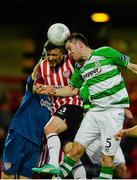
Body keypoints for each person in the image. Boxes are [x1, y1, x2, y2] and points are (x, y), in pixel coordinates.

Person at [35, 32, 137, 179]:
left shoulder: (106, 52)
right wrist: (49, 89)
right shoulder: (79, 67)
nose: (68, 54)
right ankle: (58, 176)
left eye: (70, 49)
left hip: (112, 113)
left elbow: (132, 66)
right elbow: (71, 90)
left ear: (80, 45)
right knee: (75, 149)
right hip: (94, 112)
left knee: (107, 159)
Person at [32, 40, 85, 176]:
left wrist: (53, 89)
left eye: (54, 54)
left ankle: (53, 164)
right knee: (70, 152)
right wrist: (39, 88)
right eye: (48, 54)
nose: (50, 58)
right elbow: (35, 86)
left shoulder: (72, 61)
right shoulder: (42, 66)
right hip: (57, 109)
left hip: (73, 105)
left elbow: (74, 89)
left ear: (63, 53)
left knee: (49, 128)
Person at [1, 61, 51, 179]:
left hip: (36, 142)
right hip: (20, 135)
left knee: (25, 177)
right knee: (8, 175)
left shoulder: (57, 97)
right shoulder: (34, 89)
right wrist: (44, 59)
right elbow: (34, 74)